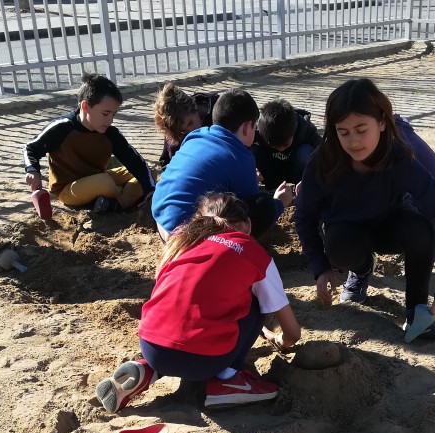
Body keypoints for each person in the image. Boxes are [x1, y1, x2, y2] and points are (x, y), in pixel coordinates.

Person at [293, 78, 435, 343]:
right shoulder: (322, 161)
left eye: (361, 130)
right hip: (347, 231)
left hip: (391, 224)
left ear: (382, 123)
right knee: (338, 246)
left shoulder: (399, 156)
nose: (354, 141)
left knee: (421, 230)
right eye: (343, 132)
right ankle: (362, 270)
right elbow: (304, 216)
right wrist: (320, 266)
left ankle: (416, 312)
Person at [95, 193, 301, 411]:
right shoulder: (253, 252)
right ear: (247, 225)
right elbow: (293, 333)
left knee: (184, 308)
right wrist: (279, 339)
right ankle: (228, 377)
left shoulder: (180, 241)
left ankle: (148, 369)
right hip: (204, 360)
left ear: (199, 220)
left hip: (151, 346)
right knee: (257, 298)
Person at [151, 88, 295, 241]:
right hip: (187, 237)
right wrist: (279, 203)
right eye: (254, 127)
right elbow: (252, 204)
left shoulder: (196, 136)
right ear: (247, 127)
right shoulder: (241, 156)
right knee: (264, 205)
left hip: (162, 222)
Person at [23, 73, 155, 214]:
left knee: (150, 174)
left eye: (113, 114)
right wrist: (33, 170)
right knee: (105, 182)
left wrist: (149, 188)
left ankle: (116, 204)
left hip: (100, 178)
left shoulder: (110, 133)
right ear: (85, 106)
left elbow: (133, 159)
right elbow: (30, 148)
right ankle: (121, 199)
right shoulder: (62, 127)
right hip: (68, 189)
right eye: (105, 114)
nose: (110, 120)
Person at [251, 98, 322, 191]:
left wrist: (311, 178)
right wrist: (251, 168)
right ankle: (273, 188)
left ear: (294, 130)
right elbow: (240, 147)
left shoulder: (305, 129)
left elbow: (324, 153)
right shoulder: (258, 129)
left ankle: (302, 187)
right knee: (253, 151)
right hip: (271, 170)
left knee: (305, 152)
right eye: (274, 145)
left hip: (296, 170)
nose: (281, 149)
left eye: (285, 144)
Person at [153, 84, 219, 167]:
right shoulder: (175, 131)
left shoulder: (220, 112)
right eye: (183, 131)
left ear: (194, 105)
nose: (191, 132)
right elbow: (166, 162)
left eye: (190, 123)